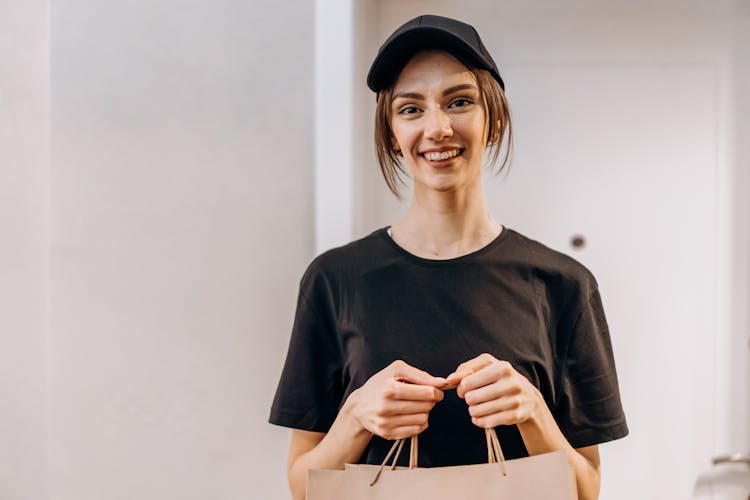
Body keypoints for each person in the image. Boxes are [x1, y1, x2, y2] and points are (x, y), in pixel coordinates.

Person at [269, 14, 628, 500]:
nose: (437, 128)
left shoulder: (563, 284)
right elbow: (302, 488)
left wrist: (534, 413)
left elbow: (586, 491)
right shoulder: (336, 280)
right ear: (392, 132)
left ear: (493, 118)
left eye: (459, 102)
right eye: (410, 109)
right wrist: (355, 416)